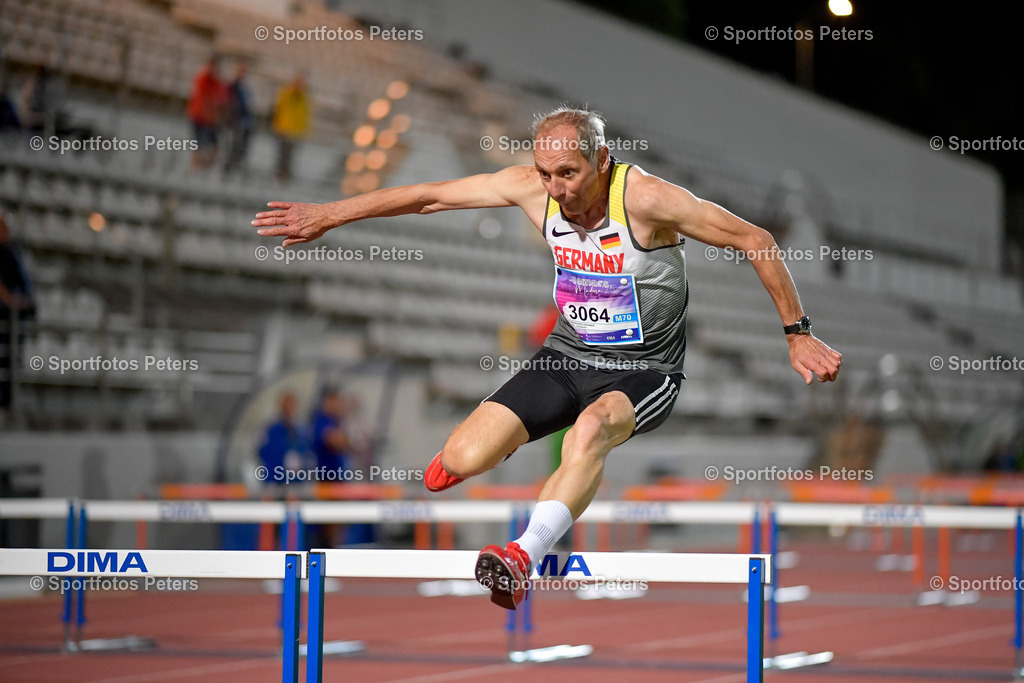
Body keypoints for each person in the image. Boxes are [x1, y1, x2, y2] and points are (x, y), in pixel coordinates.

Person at [252, 107, 843, 609]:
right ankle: (494, 446)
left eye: (569, 173)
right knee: (460, 458)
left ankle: (522, 556)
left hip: (646, 370)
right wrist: (331, 214)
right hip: (566, 355)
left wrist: (797, 333)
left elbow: (755, 239)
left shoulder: (646, 199)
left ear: (601, 160)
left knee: (588, 432)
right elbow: (429, 196)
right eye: (545, 174)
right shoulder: (531, 189)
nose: (557, 189)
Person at [0, 210, 35, 412]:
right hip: (4, 316)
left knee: (13, 362)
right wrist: (9, 299)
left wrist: (24, 301)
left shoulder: (13, 251)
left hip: (16, 317)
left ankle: (8, 405)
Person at [257, 391, 306, 490]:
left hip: (295, 480)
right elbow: (262, 451)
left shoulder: (301, 429)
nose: (289, 407)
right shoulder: (272, 428)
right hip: (273, 479)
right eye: (286, 403)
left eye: (291, 404)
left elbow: (305, 453)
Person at [187, 57, 227, 170]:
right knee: (198, 142)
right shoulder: (203, 78)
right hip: (199, 115)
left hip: (210, 118)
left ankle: (205, 166)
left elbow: (221, 99)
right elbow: (202, 97)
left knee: (213, 144)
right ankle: (195, 164)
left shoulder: (216, 82)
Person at [271, 73, 310, 183]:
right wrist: (278, 125)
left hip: (296, 131)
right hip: (284, 129)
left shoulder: (303, 97)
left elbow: (304, 114)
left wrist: (303, 129)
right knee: (282, 154)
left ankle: (286, 175)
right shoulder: (287, 93)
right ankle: (279, 174)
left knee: (291, 155)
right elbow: (279, 109)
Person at [222, 61, 253, 176]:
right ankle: (227, 169)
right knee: (232, 146)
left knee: (242, 147)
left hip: (245, 122)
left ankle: (235, 168)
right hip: (235, 120)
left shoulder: (246, 88)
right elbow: (228, 103)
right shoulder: (232, 86)